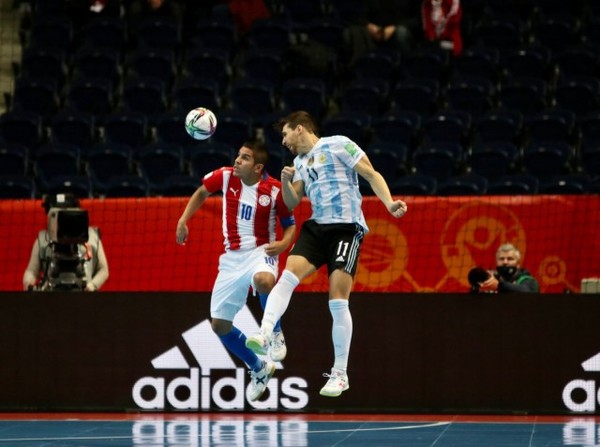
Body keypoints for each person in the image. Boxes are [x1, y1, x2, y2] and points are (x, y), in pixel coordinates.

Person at [245, 111, 408, 397]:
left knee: (337, 300)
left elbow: (371, 173)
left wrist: (389, 203)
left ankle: (340, 374)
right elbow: (293, 201)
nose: (283, 142)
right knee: (287, 277)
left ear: (299, 129)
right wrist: (285, 181)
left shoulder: (339, 144)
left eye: (285, 134)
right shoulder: (298, 162)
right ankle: (266, 332)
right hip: (317, 228)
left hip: (346, 229)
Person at [175, 140, 296, 401]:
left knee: (264, 281)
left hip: (262, 251)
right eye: (238, 156)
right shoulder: (226, 176)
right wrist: (184, 220)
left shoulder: (275, 190)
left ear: (258, 167)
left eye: (245, 158)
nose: (237, 161)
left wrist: (285, 243)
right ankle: (259, 368)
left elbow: (290, 224)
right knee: (220, 326)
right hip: (231, 258)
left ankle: (274, 332)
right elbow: (201, 192)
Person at [23, 193, 109, 292]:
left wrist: (92, 285)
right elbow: (32, 270)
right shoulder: (43, 239)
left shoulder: (92, 236)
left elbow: (103, 269)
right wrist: (28, 284)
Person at [342, 0, 422, 66]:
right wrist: (369, 25)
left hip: (399, 30)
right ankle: (359, 69)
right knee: (353, 31)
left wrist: (394, 28)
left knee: (401, 32)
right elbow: (362, 16)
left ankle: (403, 69)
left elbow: (417, 20)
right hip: (375, 32)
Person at [474, 243, 540, 293]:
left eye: (510, 259)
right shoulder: (490, 279)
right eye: (501, 259)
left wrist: (498, 285)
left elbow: (528, 292)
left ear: (518, 263)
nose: (505, 262)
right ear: (496, 262)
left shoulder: (528, 280)